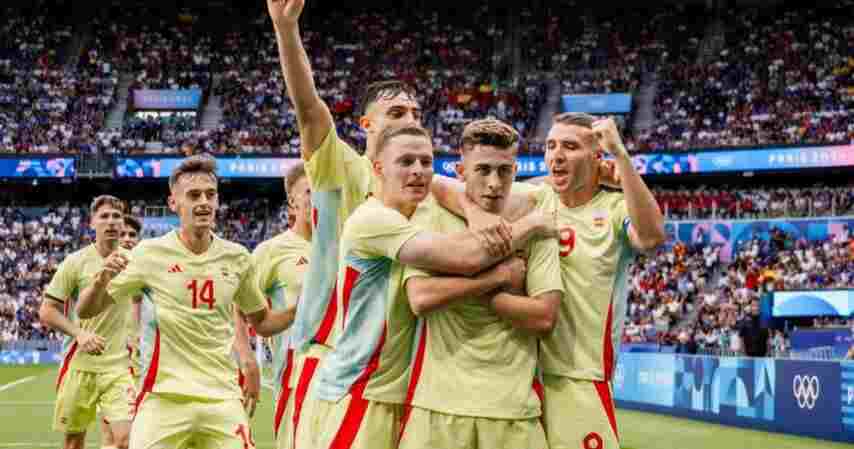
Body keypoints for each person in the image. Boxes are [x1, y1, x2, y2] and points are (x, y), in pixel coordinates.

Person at [302, 124, 555, 449]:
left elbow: (511, 189)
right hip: (360, 390)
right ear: (378, 168)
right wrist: (522, 237)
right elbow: (464, 257)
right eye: (406, 162)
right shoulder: (375, 220)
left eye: (425, 162)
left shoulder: (418, 213)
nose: (418, 172)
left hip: (397, 392)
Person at [266, 0, 423, 443]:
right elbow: (310, 109)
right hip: (332, 361)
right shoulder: (346, 167)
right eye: (396, 113)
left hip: (394, 373)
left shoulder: (425, 187)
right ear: (366, 124)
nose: (409, 121)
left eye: (415, 115)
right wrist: (286, 30)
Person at [75, 155, 296, 449]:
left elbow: (263, 322)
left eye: (210, 194)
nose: (203, 202)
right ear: (173, 204)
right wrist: (101, 280)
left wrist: (302, 308)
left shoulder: (238, 257)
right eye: (193, 195)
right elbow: (86, 309)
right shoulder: (149, 254)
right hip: (163, 399)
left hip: (222, 397)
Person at [397, 119, 565, 449]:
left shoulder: (538, 223)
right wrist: (497, 279)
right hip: (436, 408)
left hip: (513, 411)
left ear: (516, 170)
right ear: (461, 171)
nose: (494, 183)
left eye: (504, 171)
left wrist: (457, 285)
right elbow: (419, 298)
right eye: (483, 170)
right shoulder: (429, 214)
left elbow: (544, 317)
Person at [38, 195, 134, 449]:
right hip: (79, 365)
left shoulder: (133, 261)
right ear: (92, 222)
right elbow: (47, 311)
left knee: (125, 440)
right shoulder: (75, 262)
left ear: (123, 222)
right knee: (73, 442)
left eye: (117, 216)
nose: (111, 222)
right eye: (104, 216)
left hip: (118, 367)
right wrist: (79, 333)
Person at [252, 163, 313, 449]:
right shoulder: (272, 251)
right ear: (292, 201)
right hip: (294, 374)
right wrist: (246, 357)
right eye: (310, 191)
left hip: (345, 372)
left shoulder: (347, 246)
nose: (319, 199)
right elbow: (241, 307)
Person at [98, 215, 144, 449]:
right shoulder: (104, 273)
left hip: (147, 366)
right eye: (123, 234)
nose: (127, 239)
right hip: (114, 365)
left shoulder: (153, 270)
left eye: (132, 235)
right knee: (115, 438)